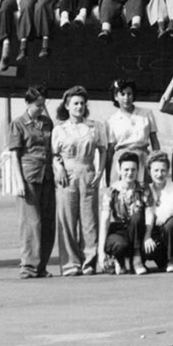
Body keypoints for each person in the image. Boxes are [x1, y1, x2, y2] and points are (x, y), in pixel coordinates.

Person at [52, 85, 103, 276]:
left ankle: (88, 262)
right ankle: (70, 264)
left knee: (89, 220)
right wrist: (59, 169)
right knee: (67, 219)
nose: (79, 107)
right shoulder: (60, 129)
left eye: (82, 103)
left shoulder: (94, 126)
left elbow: (103, 149)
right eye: (75, 103)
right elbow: (55, 154)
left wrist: (100, 170)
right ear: (67, 105)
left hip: (88, 171)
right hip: (67, 175)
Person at [8, 86, 56, 279]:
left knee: (47, 223)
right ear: (27, 103)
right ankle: (28, 267)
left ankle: (41, 267)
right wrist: (19, 181)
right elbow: (14, 155)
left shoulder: (47, 122)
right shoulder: (18, 124)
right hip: (29, 177)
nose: (41, 109)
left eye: (44, 105)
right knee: (31, 224)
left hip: (47, 177)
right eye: (38, 105)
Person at [99, 151, 149, 275]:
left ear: (138, 170)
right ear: (119, 170)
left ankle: (136, 259)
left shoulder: (144, 189)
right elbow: (105, 220)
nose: (130, 173)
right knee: (120, 245)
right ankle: (120, 261)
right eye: (126, 170)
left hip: (137, 229)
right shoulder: (111, 191)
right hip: (118, 230)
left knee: (137, 216)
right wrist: (100, 251)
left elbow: (150, 214)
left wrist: (148, 236)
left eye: (133, 169)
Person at [105, 77, 159, 183]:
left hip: (142, 158)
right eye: (122, 94)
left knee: (143, 193)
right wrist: (108, 174)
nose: (126, 98)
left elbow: (154, 141)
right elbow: (110, 150)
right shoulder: (111, 120)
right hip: (121, 160)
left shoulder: (146, 113)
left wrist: (157, 161)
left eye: (129, 94)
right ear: (116, 97)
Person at [143, 152, 173, 272]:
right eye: (156, 170)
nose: (159, 174)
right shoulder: (145, 189)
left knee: (172, 223)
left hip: (169, 231)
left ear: (168, 171)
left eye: (163, 170)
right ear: (149, 172)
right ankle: (142, 261)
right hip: (152, 232)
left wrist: (168, 214)